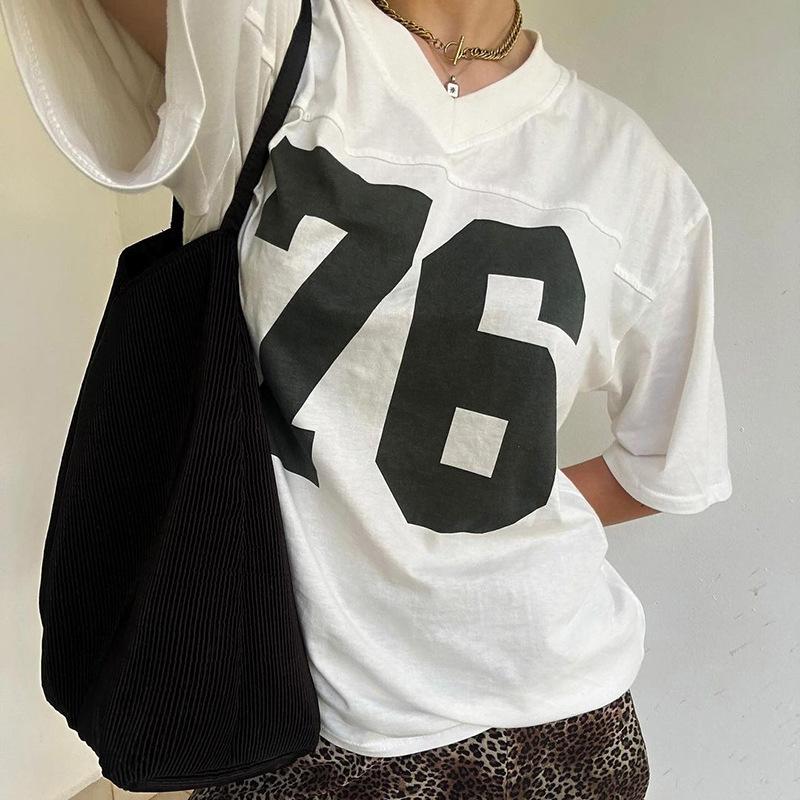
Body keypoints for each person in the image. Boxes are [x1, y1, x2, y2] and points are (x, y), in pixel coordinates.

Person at [0, 0, 733, 797]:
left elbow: (666, 467)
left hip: (559, 716)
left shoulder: (635, 177)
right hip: (288, 719)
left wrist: (491, 498)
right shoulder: (272, 42)